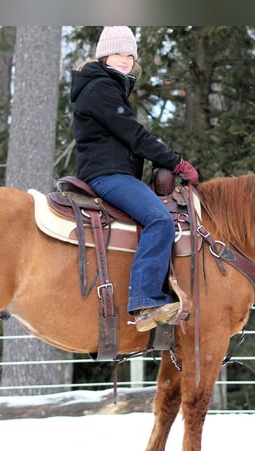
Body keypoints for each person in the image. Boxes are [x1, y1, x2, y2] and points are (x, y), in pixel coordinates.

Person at [70, 26, 199, 332]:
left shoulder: (105, 85)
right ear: (104, 55)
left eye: (130, 55)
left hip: (111, 171)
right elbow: (134, 135)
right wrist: (175, 162)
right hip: (107, 174)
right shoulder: (101, 87)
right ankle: (146, 302)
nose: (126, 60)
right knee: (159, 220)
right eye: (119, 53)